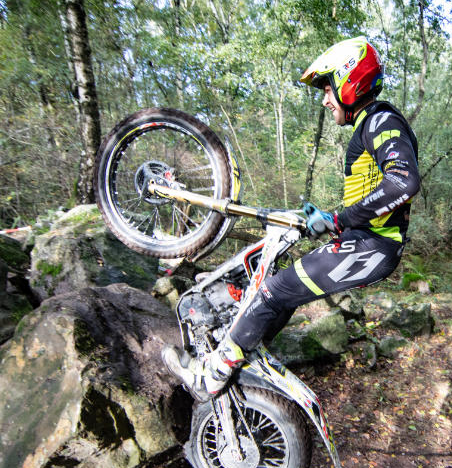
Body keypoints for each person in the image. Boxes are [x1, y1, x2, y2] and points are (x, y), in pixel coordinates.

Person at [163, 36, 419, 397]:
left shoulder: (380, 121)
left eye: (327, 87)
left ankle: (211, 376)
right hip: (365, 243)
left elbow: (403, 182)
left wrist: (338, 219)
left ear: (350, 81)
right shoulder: (370, 125)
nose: (326, 98)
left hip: (372, 247)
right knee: (280, 289)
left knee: (274, 290)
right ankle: (242, 357)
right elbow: (374, 193)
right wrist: (325, 218)